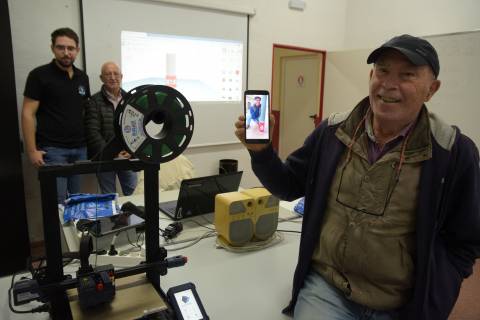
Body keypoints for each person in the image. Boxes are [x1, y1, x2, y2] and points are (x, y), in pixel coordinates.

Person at [235, 34, 480, 320]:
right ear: (370, 75)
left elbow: (467, 240)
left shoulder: (452, 152)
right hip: (328, 290)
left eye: (407, 75)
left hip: (402, 304)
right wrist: (261, 151)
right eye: (383, 70)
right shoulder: (332, 133)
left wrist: (440, 291)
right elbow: (287, 186)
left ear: (431, 89)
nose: (389, 84)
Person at [22, 27, 90, 204]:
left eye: (70, 48)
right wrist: (31, 151)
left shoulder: (83, 77)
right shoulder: (39, 75)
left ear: (77, 50)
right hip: (53, 151)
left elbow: (85, 111)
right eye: (61, 47)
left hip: (80, 150)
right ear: (52, 48)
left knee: (76, 201)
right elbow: (27, 113)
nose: (66, 53)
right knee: (56, 202)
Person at [84, 62, 137, 195]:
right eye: (108, 74)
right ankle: (116, 217)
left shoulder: (130, 100)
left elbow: (137, 128)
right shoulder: (94, 101)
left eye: (116, 74)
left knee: (134, 193)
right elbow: (92, 132)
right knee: (109, 197)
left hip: (127, 157)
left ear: (121, 76)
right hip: (105, 158)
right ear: (101, 78)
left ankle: (133, 217)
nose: (113, 77)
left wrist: (131, 151)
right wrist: (112, 153)